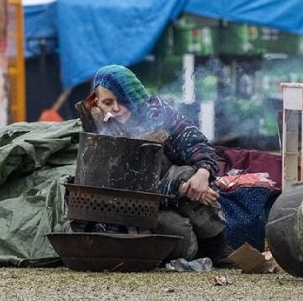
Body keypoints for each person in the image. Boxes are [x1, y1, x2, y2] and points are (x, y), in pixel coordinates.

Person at [76, 64, 233, 267]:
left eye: (123, 101)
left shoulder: (159, 113)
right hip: (130, 210)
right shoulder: (96, 130)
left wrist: (202, 174)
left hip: (172, 193)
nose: (115, 108)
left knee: (190, 173)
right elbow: (119, 188)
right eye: (108, 102)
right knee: (178, 232)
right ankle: (199, 252)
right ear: (98, 102)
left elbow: (197, 144)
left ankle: (217, 249)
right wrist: (178, 189)